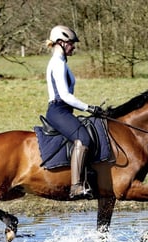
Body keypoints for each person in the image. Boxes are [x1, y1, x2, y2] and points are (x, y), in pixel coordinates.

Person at [45, 25, 103, 200]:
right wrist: (89, 107)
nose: (73, 47)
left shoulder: (62, 62)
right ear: (61, 42)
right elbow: (64, 95)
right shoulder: (57, 63)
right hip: (58, 110)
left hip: (63, 110)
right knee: (83, 139)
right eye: (71, 43)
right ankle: (76, 186)